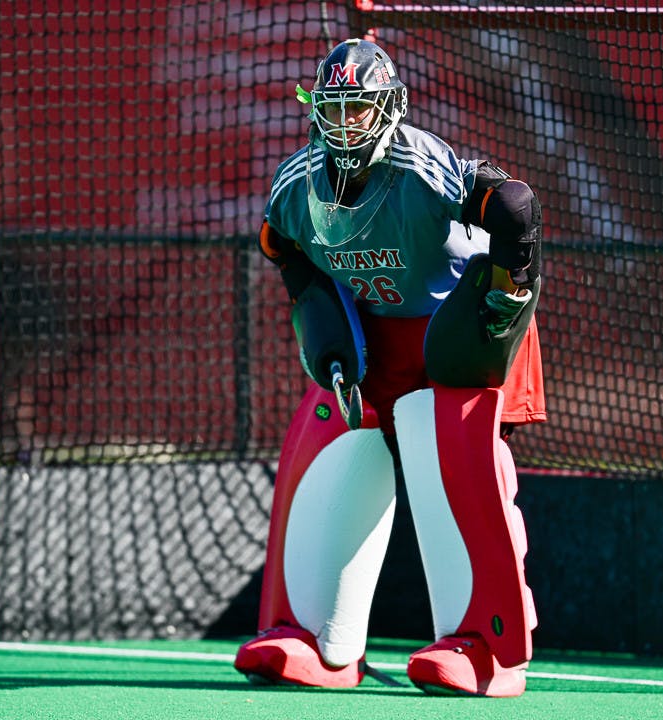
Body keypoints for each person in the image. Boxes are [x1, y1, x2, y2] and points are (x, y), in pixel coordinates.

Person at [234, 38, 546, 697]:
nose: (346, 123)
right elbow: (281, 244)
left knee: (448, 448)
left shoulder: (422, 168)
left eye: (360, 108)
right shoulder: (296, 184)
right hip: (372, 339)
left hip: (451, 330)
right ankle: (315, 637)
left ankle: (485, 643)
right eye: (334, 108)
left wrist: (508, 290)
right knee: (330, 437)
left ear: (391, 108)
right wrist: (316, 309)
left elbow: (514, 206)